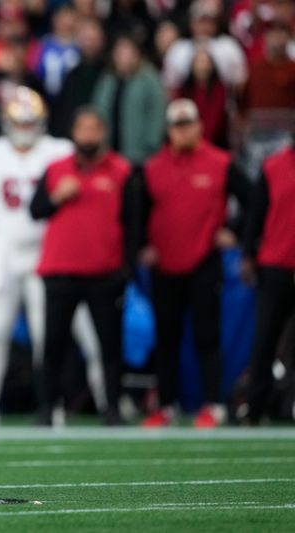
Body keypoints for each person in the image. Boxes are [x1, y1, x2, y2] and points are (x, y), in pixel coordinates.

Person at [0, 88, 103, 428]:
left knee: (46, 335)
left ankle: (50, 406)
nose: (24, 128)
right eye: (18, 121)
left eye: (30, 122)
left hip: (45, 252)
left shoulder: (59, 151)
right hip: (2, 251)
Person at [137, 99, 250, 428]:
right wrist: (143, 246)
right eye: (176, 125)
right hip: (164, 264)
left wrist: (236, 232)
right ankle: (166, 405)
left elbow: (254, 198)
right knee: (166, 338)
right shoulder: (153, 167)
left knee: (207, 336)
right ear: (169, 130)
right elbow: (137, 213)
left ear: (199, 126)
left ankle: (213, 404)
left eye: (187, 124)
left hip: (204, 261)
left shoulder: (220, 162)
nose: (182, 130)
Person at [30, 108, 133, 426]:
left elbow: (133, 222)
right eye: (82, 129)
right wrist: (56, 197)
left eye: (93, 129)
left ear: (102, 133)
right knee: (53, 346)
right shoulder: (56, 169)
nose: (88, 136)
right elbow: (35, 210)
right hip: (60, 270)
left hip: (104, 272)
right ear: (74, 133)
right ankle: (48, 409)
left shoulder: (121, 170)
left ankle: (112, 407)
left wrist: (125, 269)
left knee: (109, 346)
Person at [240, 138, 295, 424]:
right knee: (264, 340)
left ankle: (289, 405)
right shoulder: (273, 166)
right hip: (276, 267)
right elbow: (255, 214)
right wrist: (248, 254)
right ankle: (255, 408)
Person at [92, 35, 166, 166]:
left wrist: (151, 145)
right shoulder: (107, 79)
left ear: (136, 54)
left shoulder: (148, 79)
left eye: (127, 52)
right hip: (109, 151)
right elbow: (97, 111)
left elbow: (157, 112)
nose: (123, 57)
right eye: (119, 53)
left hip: (140, 153)